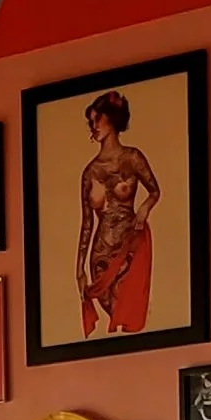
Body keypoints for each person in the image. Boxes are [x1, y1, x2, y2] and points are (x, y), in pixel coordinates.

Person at [76, 90, 158, 337]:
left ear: (112, 119)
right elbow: (87, 223)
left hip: (129, 244)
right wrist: (79, 268)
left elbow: (154, 191)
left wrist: (144, 208)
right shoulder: (89, 172)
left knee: (128, 309)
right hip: (100, 252)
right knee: (112, 309)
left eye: (97, 119)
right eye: (90, 121)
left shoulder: (132, 158)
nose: (93, 126)